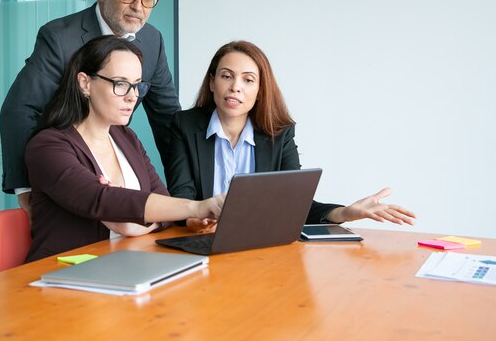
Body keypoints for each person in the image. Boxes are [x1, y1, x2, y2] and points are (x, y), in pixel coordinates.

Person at [0, 0, 180, 221]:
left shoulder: (152, 41)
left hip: (117, 162)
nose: (138, 7)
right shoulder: (60, 38)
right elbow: (20, 109)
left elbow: (168, 119)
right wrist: (27, 185)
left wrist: (182, 199)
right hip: (64, 166)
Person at [164, 41, 416, 233]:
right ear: (212, 82)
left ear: (261, 90)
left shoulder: (279, 133)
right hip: (203, 243)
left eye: (248, 80)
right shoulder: (184, 126)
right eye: (226, 76)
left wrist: (345, 213)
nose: (235, 87)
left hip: (261, 248)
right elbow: (182, 197)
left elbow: (295, 204)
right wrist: (194, 220)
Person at [24, 36, 222, 262]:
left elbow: (163, 203)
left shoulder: (127, 138)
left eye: (137, 85)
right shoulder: (47, 147)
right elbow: (101, 201)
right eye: (120, 84)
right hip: (64, 276)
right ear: (85, 83)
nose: (132, 96)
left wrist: (132, 224)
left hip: (127, 266)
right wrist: (193, 208)